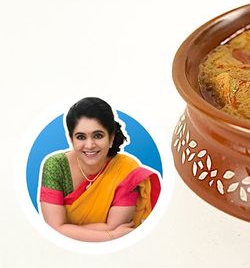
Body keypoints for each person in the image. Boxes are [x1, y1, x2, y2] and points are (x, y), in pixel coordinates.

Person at [39, 97, 160, 242]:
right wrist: (111, 235)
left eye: (98, 136)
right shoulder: (55, 166)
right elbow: (54, 229)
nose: (89, 145)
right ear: (71, 140)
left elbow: (116, 224)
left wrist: (67, 229)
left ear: (111, 138)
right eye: (81, 137)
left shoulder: (126, 170)